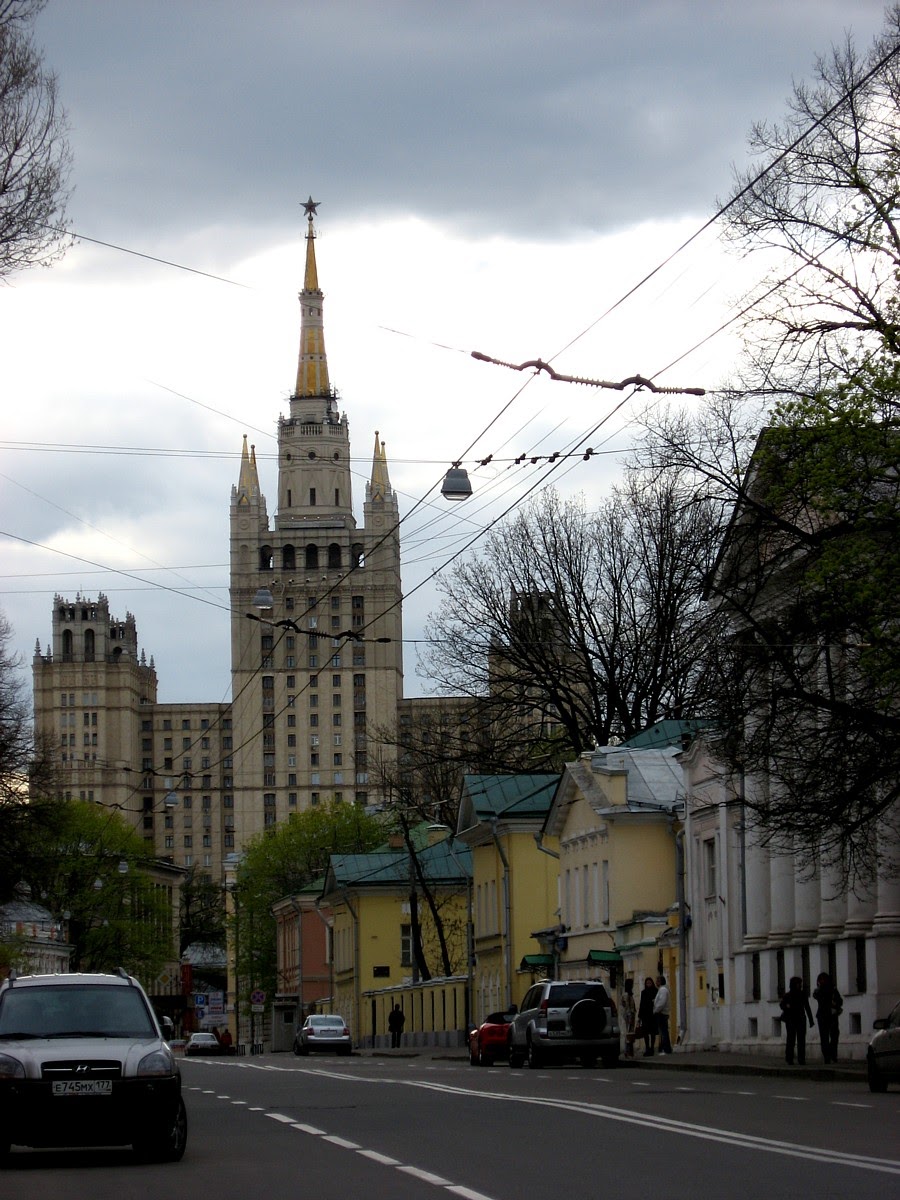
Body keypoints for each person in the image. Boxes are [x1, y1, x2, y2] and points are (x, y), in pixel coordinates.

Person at [779, 976, 814, 1065]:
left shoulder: (801, 994)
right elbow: (782, 1005)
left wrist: (811, 1019)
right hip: (793, 1019)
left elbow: (807, 1007)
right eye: (799, 984)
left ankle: (798, 1059)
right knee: (793, 1039)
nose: (800, 985)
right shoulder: (789, 995)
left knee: (798, 1040)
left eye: (800, 984)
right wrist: (787, 1006)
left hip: (798, 1019)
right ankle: (792, 1058)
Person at [812, 972, 842, 1064]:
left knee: (833, 1035)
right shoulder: (820, 991)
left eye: (823, 979)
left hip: (831, 1015)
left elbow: (840, 1001)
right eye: (820, 979)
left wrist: (835, 1004)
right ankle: (827, 1056)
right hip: (824, 1015)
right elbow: (816, 996)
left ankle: (832, 1054)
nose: (821, 981)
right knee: (825, 1037)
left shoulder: (832, 990)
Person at [637, 977, 657, 1056]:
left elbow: (657, 1002)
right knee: (645, 1033)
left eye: (650, 983)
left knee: (653, 1033)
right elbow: (641, 1004)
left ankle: (652, 1048)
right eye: (647, 983)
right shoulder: (643, 992)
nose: (648, 984)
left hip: (653, 1015)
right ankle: (647, 1048)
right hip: (645, 1016)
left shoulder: (655, 991)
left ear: (652, 983)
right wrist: (639, 1016)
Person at [653, 974, 673, 1054]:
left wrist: (656, 1010)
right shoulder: (663, 989)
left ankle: (666, 1049)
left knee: (664, 1032)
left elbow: (662, 1002)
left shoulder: (663, 990)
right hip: (663, 1012)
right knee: (664, 1031)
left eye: (657, 981)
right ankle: (667, 1048)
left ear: (660, 981)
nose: (656, 982)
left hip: (662, 1013)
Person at [621, 979, 637, 1058]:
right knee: (629, 1035)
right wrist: (629, 1018)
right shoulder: (626, 995)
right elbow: (627, 1007)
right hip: (629, 1016)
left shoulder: (628, 995)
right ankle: (628, 1051)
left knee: (630, 1034)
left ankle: (629, 1051)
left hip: (629, 1015)